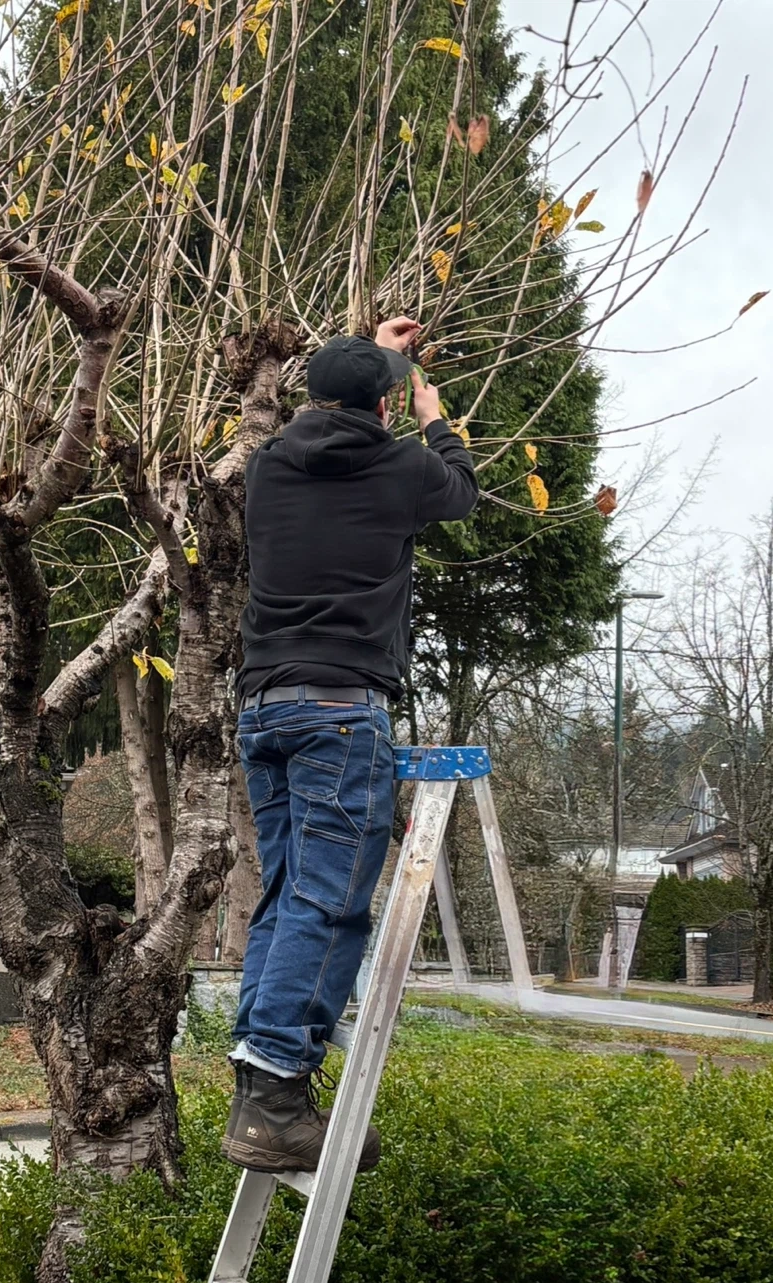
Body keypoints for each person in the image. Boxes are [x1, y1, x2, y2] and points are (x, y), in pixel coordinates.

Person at [221, 317, 478, 1174]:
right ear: (384, 408)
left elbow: (342, 404)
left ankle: (259, 1084)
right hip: (339, 709)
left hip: (263, 709)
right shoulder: (403, 466)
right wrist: (434, 415)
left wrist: (375, 353)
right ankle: (276, 1094)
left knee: (287, 895)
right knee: (326, 904)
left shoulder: (266, 467)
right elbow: (461, 489)